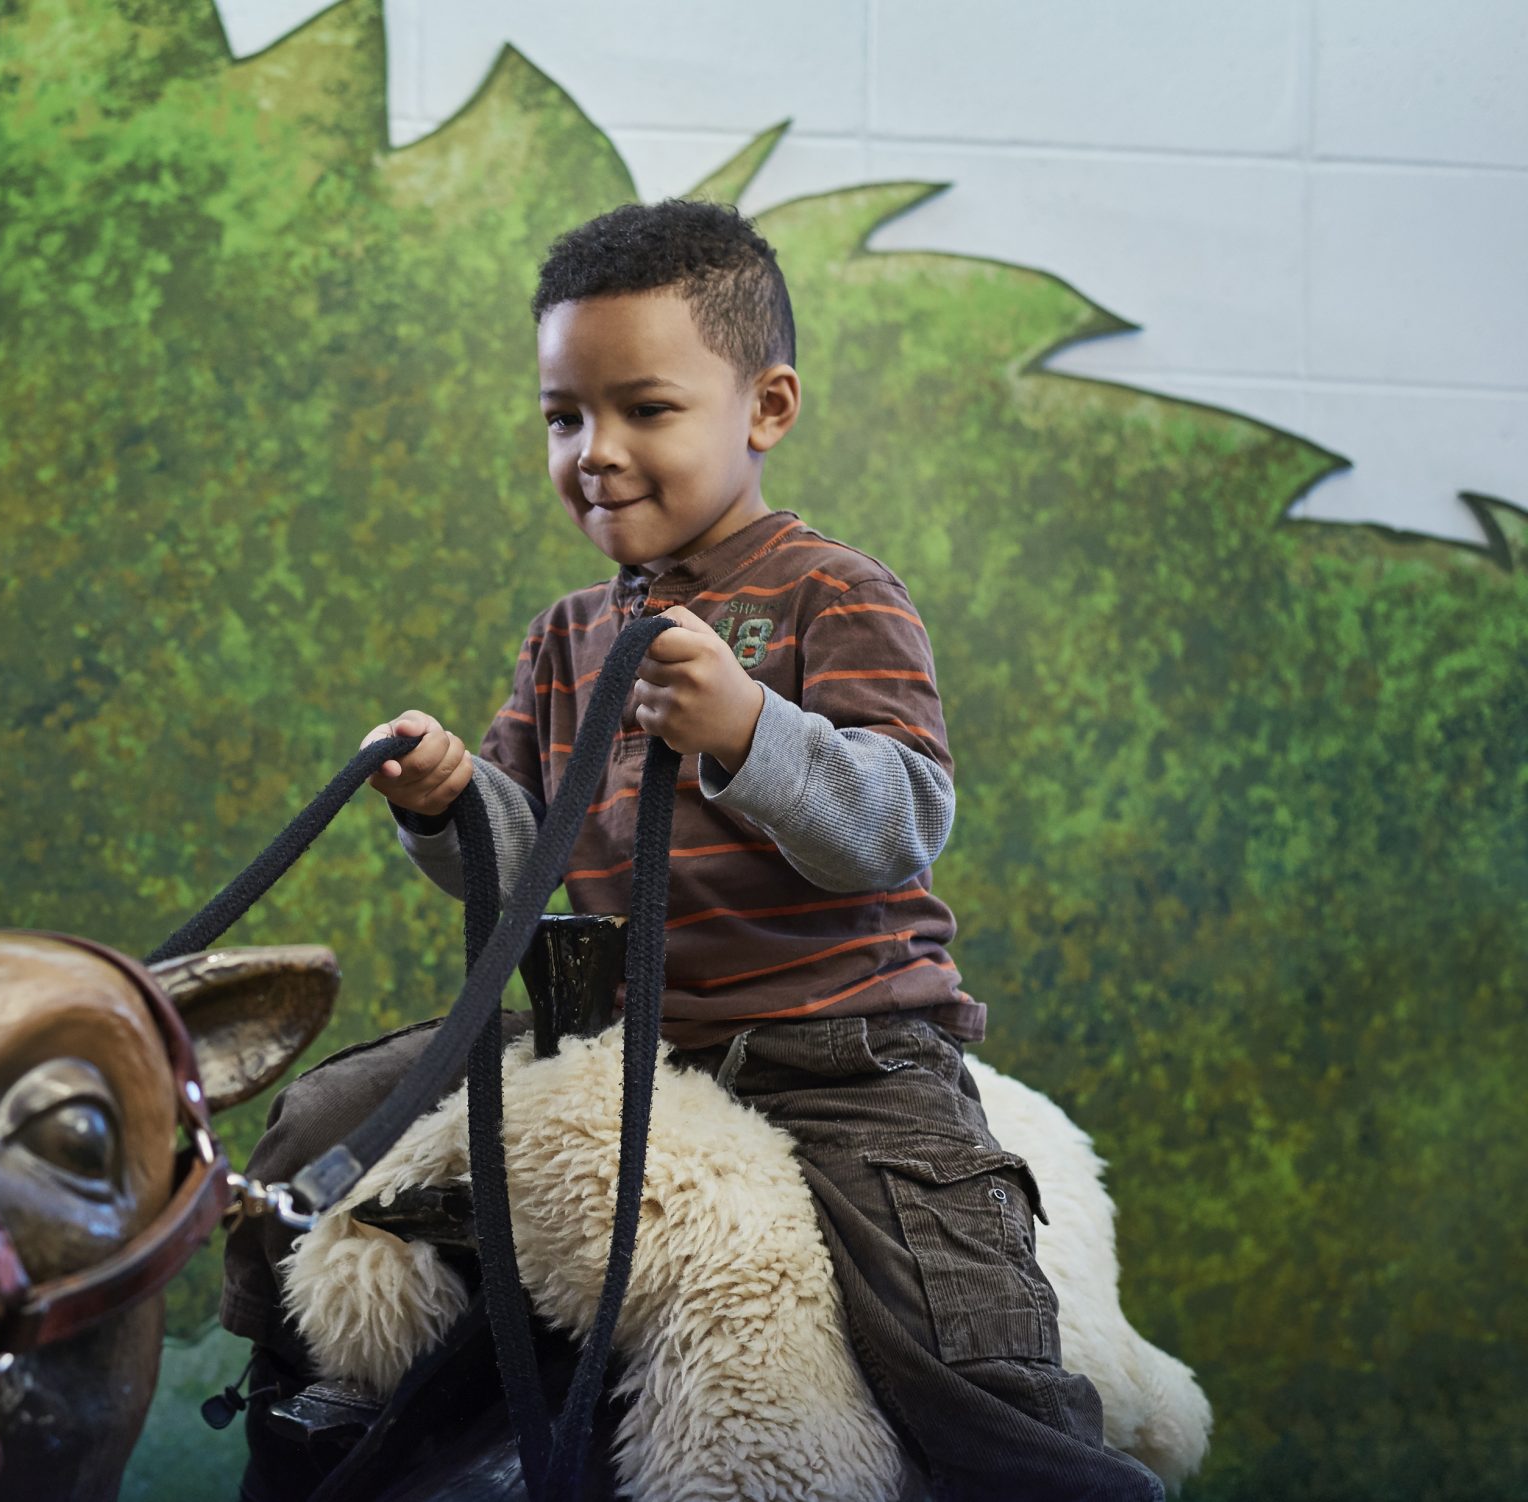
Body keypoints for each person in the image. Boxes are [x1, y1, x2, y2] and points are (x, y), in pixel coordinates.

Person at [219, 198, 1166, 1502]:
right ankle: (311, 1405)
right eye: (564, 416)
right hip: (606, 1035)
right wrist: (448, 801)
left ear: (764, 408)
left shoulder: (837, 591)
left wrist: (749, 730)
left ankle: (1044, 1465)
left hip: (831, 1050)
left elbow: (898, 816)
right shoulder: (565, 634)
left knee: (948, 1323)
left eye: (644, 410)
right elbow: (519, 857)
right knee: (327, 1119)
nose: (594, 452)